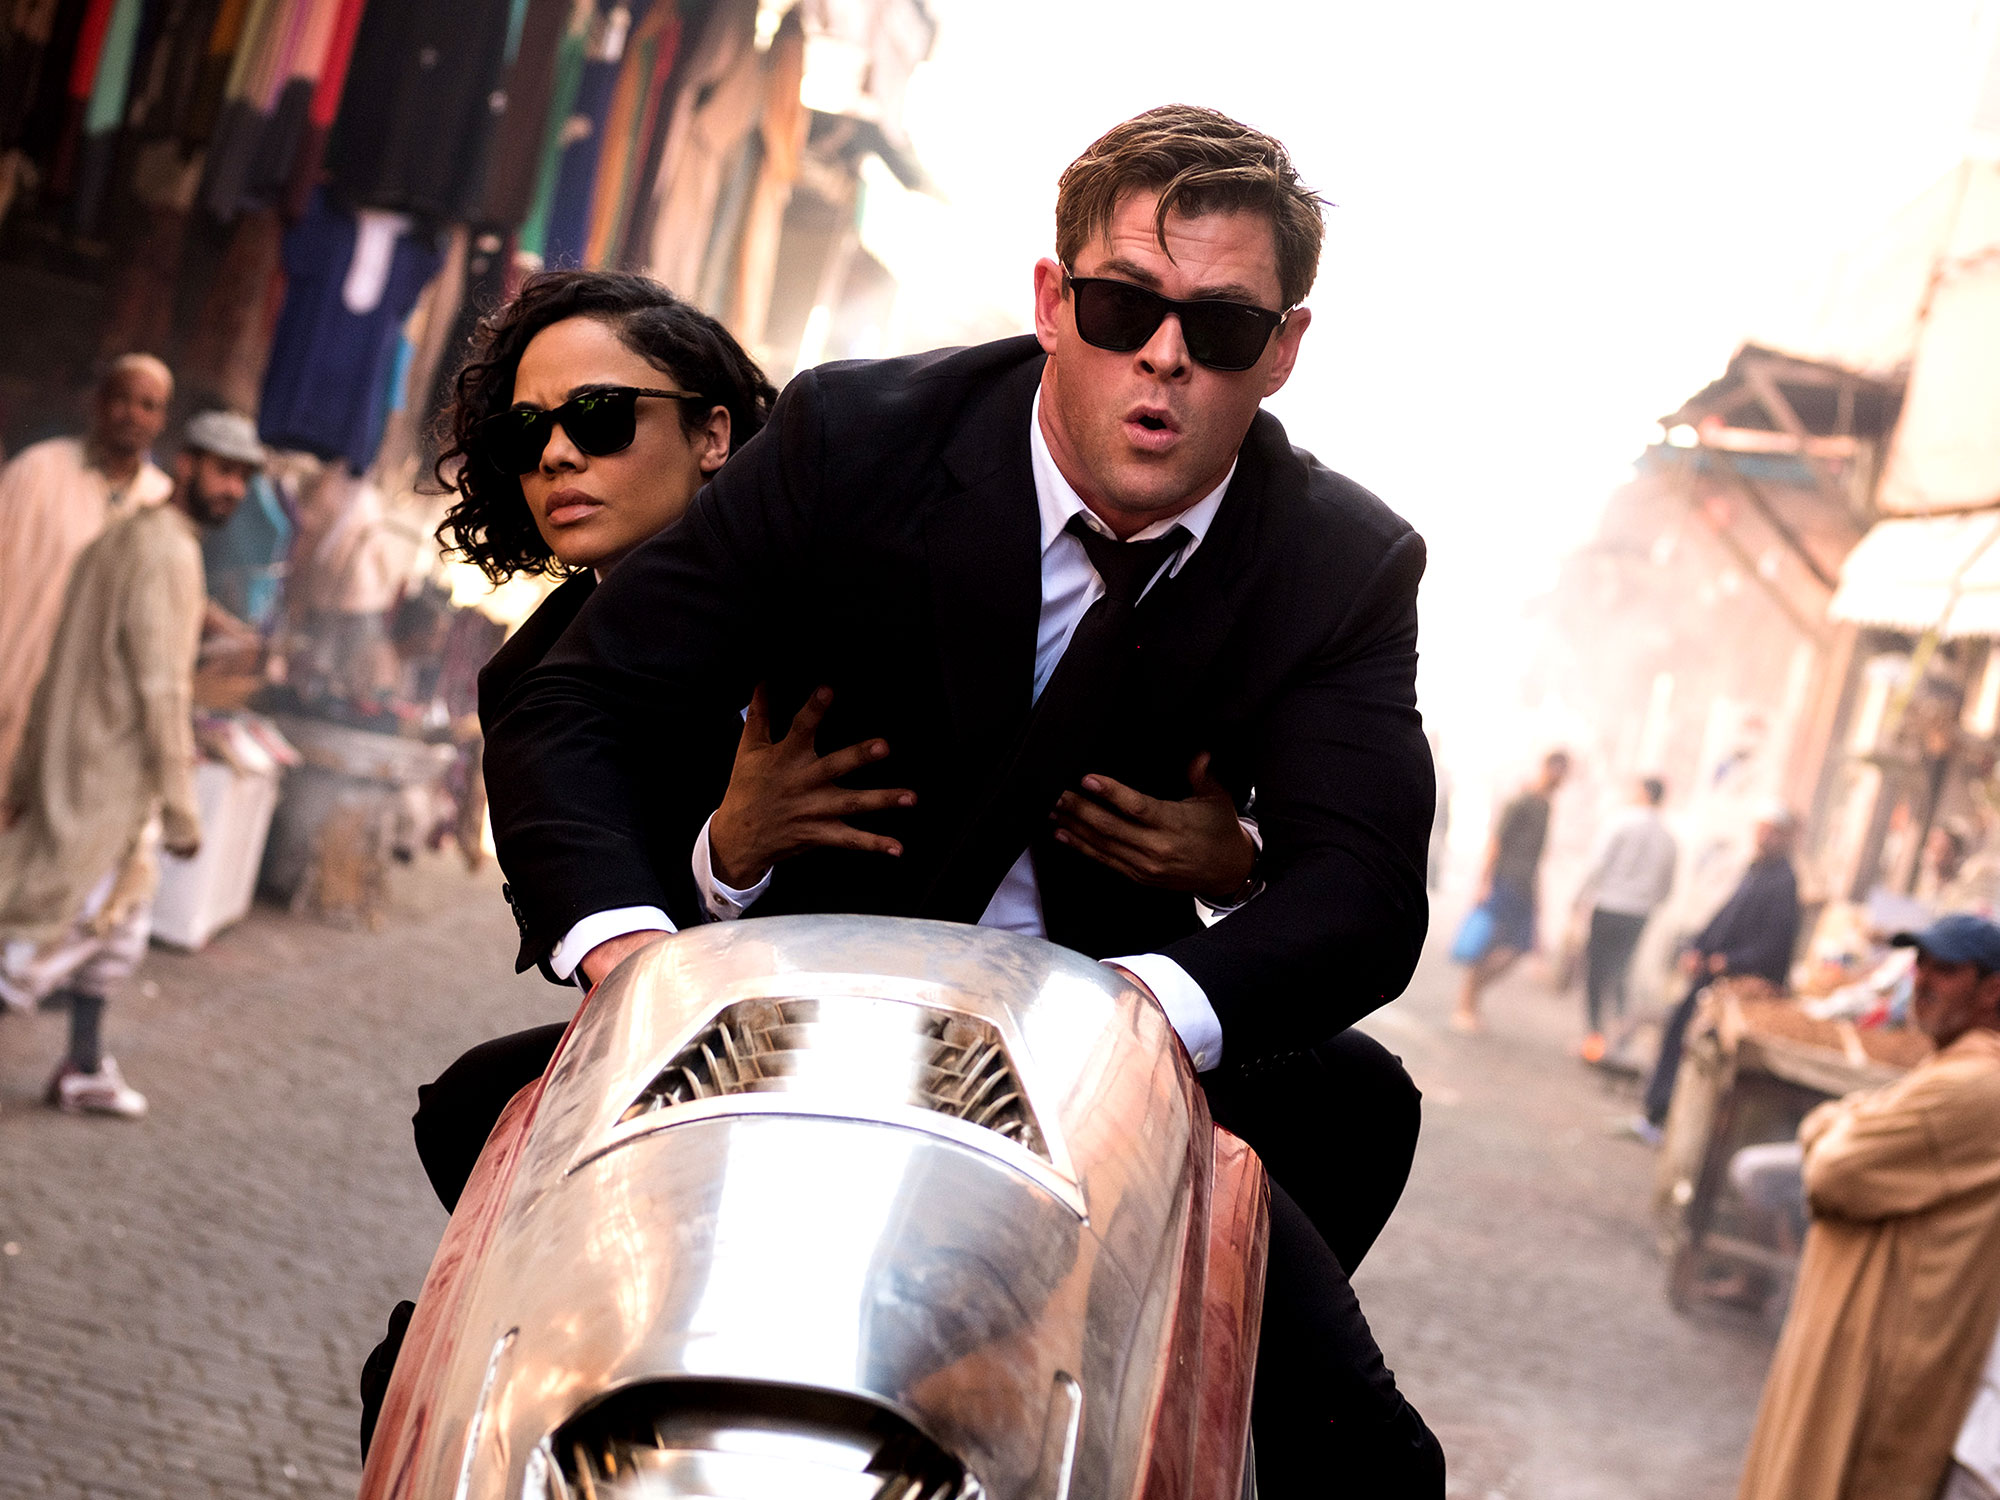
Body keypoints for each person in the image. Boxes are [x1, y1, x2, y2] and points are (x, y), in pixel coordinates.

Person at [484, 106, 1442, 1492]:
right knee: (472, 1383)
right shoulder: (852, 439)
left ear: (1282, 349)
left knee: (1373, 1465)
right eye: (1122, 307)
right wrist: (635, 960)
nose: (1164, 356)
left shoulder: (1341, 563)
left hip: (1110, 1085)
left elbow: (1363, 892)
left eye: (1222, 328)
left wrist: (1140, 1015)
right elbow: (579, 704)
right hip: (780, 1037)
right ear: (1053, 302)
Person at [0, 410, 262, 1116]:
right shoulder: (166, 553)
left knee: (115, 934)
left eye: (243, 477)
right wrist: (181, 808)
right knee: (39, 944)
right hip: (106, 779)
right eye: (223, 471)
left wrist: (24, 774)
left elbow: (57, 663)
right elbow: (161, 688)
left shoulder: (125, 537)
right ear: (187, 464)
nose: (234, 489)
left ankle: (83, 1067)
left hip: (81, 766)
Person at [1735, 912, 2000, 1500]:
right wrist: (1842, 1122)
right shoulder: (1951, 1068)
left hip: (1882, 1352)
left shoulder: (1977, 1085)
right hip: (1865, 1337)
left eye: (1946, 969)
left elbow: (1835, 1171)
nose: (1923, 980)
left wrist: (1839, 1124)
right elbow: (1835, 1128)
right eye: (1921, 964)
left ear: (1993, 991)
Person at [0, 354, 175, 787]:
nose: (133, 415)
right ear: (99, 403)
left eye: (149, 406)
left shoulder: (159, 501)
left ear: (161, 420)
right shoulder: (38, 470)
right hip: (13, 673)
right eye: (122, 399)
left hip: (81, 713)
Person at [1631, 804, 1801, 1143]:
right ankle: (1656, 1114)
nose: (1765, 837)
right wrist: (1697, 948)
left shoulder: (1783, 883)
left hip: (1737, 986)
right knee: (1677, 1034)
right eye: (1762, 829)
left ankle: (1669, 1120)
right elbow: (1723, 919)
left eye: (1773, 832)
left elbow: (1774, 944)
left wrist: (1730, 962)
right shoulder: (1756, 870)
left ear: (1786, 837)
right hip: (1710, 976)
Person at [1453, 749, 1570, 1032]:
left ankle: (1472, 997)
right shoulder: (1521, 801)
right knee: (1487, 943)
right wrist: (1484, 883)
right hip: (1503, 881)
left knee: (1518, 948)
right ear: (1549, 768)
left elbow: (1536, 858)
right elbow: (1496, 842)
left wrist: (1538, 896)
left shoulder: (1546, 807)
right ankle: (1465, 1004)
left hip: (1523, 886)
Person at [1573, 774, 1677, 1061]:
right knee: (1621, 970)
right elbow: (1667, 885)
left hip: (1608, 905)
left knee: (1596, 971)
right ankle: (1618, 1037)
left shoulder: (1620, 822)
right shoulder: (1667, 837)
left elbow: (1597, 863)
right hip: (1639, 912)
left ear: (1643, 793)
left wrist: (1580, 897)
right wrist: (1648, 901)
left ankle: (1594, 1036)